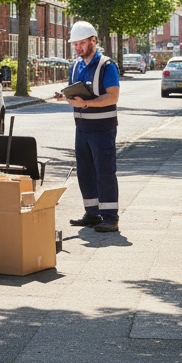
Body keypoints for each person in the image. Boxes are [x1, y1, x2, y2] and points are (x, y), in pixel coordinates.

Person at [54, 21, 122, 233]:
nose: (78, 48)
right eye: (75, 44)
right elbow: (76, 93)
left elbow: (113, 97)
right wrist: (65, 96)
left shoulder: (107, 65)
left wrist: (86, 103)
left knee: (104, 172)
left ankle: (110, 217)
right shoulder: (76, 65)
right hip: (82, 128)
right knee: (85, 172)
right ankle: (92, 213)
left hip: (103, 129)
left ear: (94, 41)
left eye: (82, 43)